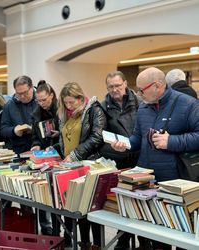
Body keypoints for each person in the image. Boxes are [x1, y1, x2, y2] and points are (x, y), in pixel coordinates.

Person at [111, 67, 199, 250]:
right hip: (147, 181)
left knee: (182, 235)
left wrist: (171, 141)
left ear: (158, 86)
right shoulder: (143, 108)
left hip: (176, 182)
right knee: (155, 234)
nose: (139, 94)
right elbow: (138, 138)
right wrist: (124, 144)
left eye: (142, 89)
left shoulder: (189, 104)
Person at [55, 82, 106, 249]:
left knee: (91, 209)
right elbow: (65, 138)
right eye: (65, 103)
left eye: (72, 102)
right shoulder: (65, 114)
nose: (68, 106)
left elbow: (97, 137)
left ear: (80, 98)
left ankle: (97, 244)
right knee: (79, 210)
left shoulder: (93, 110)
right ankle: (84, 243)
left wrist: (75, 154)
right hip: (71, 167)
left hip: (89, 165)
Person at [99, 71, 139, 250]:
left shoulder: (139, 102)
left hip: (140, 158)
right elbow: (100, 137)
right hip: (119, 160)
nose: (114, 89)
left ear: (125, 83)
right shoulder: (103, 107)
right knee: (123, 204)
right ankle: (123, 240)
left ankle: (144, 241)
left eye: (117, 85)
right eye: (110, 87)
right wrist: (112, 147)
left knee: (142, 202)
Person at [30, 80, 60, 236]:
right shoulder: (36, 113)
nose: (41, 103)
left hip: (61, 157)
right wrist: (36, 145)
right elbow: (35, 136)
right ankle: (49, 231)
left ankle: (65, 235)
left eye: (44, 100)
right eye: (38, 100)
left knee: (60, 198)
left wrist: (59, 136)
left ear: (52, 96)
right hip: (44, 158)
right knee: (43, 192)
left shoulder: (61, 109)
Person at [0, 75, 38, 154]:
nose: (22, 96)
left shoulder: (40, 101)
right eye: (19, 94)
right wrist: (14, 130)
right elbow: (3, 130)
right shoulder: (9, 106)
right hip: (18, 150)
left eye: (25, 93)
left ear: (31, 88)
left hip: (39, 149)